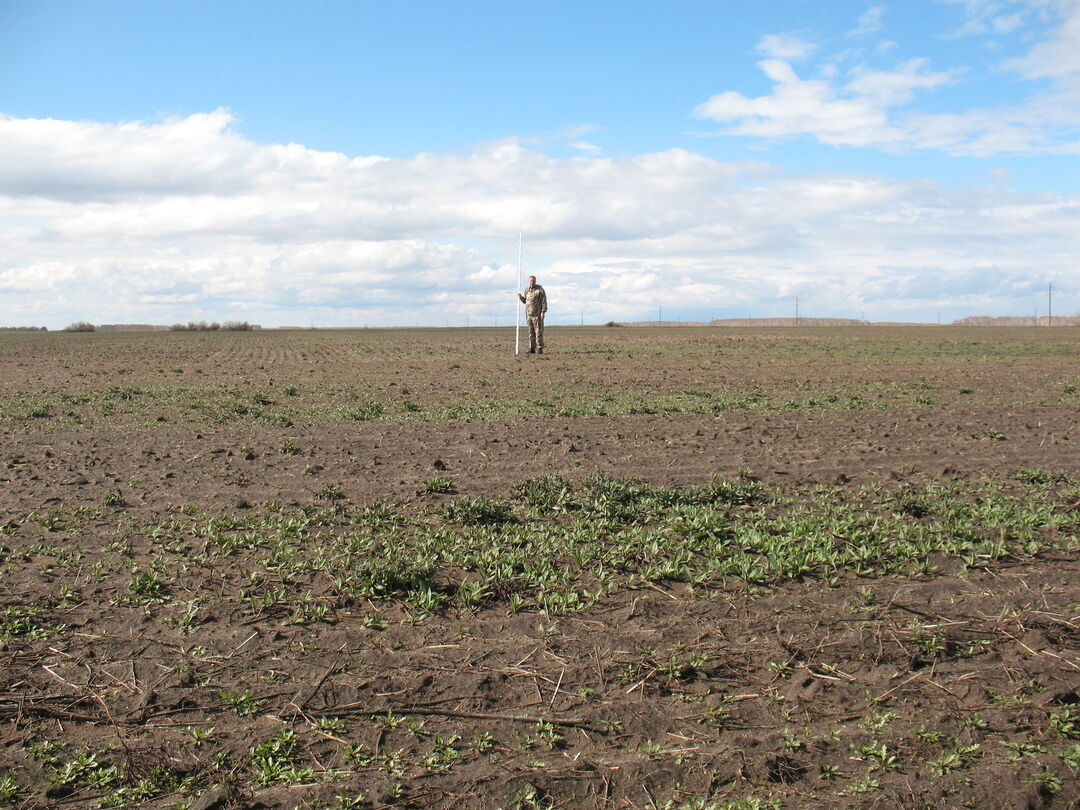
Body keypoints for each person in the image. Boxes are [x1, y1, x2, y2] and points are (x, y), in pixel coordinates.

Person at [517, 275, 548, 354]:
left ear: (535, 281)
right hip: (529, 315)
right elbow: (525, 301)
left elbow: (544, 302)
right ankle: (532, 348)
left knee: (538, 332)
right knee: (531, 333)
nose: (532, 282)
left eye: (533, 281)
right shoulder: (527, 290)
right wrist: (520, 297)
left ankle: (540, 348)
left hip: (537, 315)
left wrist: (543, 312)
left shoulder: (540, 290)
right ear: (529, 281)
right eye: (530, 281)